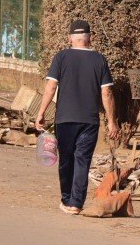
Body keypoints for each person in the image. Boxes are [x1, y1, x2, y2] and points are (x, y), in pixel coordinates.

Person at [35, 19, 119, 215]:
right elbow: (107, 93)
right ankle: (76, 204)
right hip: (89, 120)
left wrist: (40, 113)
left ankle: (66, 198)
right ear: (90, 38)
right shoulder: (100, 60)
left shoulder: (61, 57)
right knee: (83, 160)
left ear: (70, 38)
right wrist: (111, 121)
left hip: (65, 119)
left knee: (66, 159)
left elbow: (51, 87)